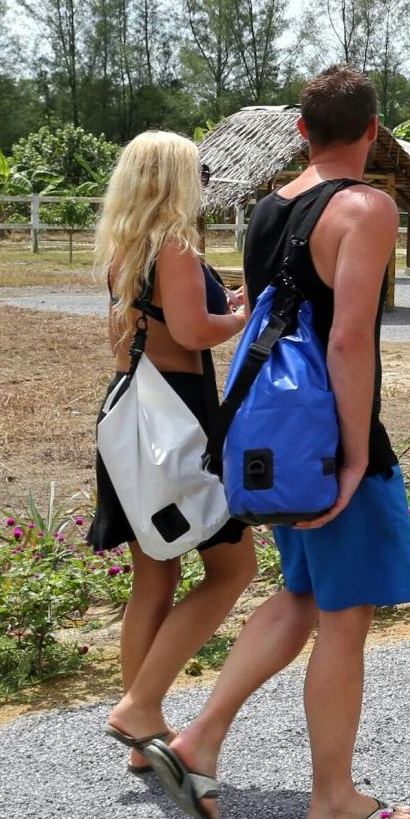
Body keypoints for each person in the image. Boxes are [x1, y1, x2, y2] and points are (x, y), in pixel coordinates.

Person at [145, 65, 410, 819]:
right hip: (330, 442)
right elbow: (347, 336)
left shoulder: (269, 210)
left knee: (301, 597)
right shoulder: (366, 207)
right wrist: (357, 454)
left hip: (277, 439)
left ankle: (199, 739)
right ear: (374, 132)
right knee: (342, 619)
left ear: (301, 132)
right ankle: (334, 801)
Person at [91, 132, 257, 775]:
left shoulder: (125, 248)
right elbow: (192, 333)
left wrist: (225, 304)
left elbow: (145, 332)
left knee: (153, 577)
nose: (207, 183)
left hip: (133, 418)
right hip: (181, 418)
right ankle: (139, 706)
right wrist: (244, 319)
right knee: (232, 569)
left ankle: (143, 733)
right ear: (174, 180)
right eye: (200, 173)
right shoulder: (177, 246)